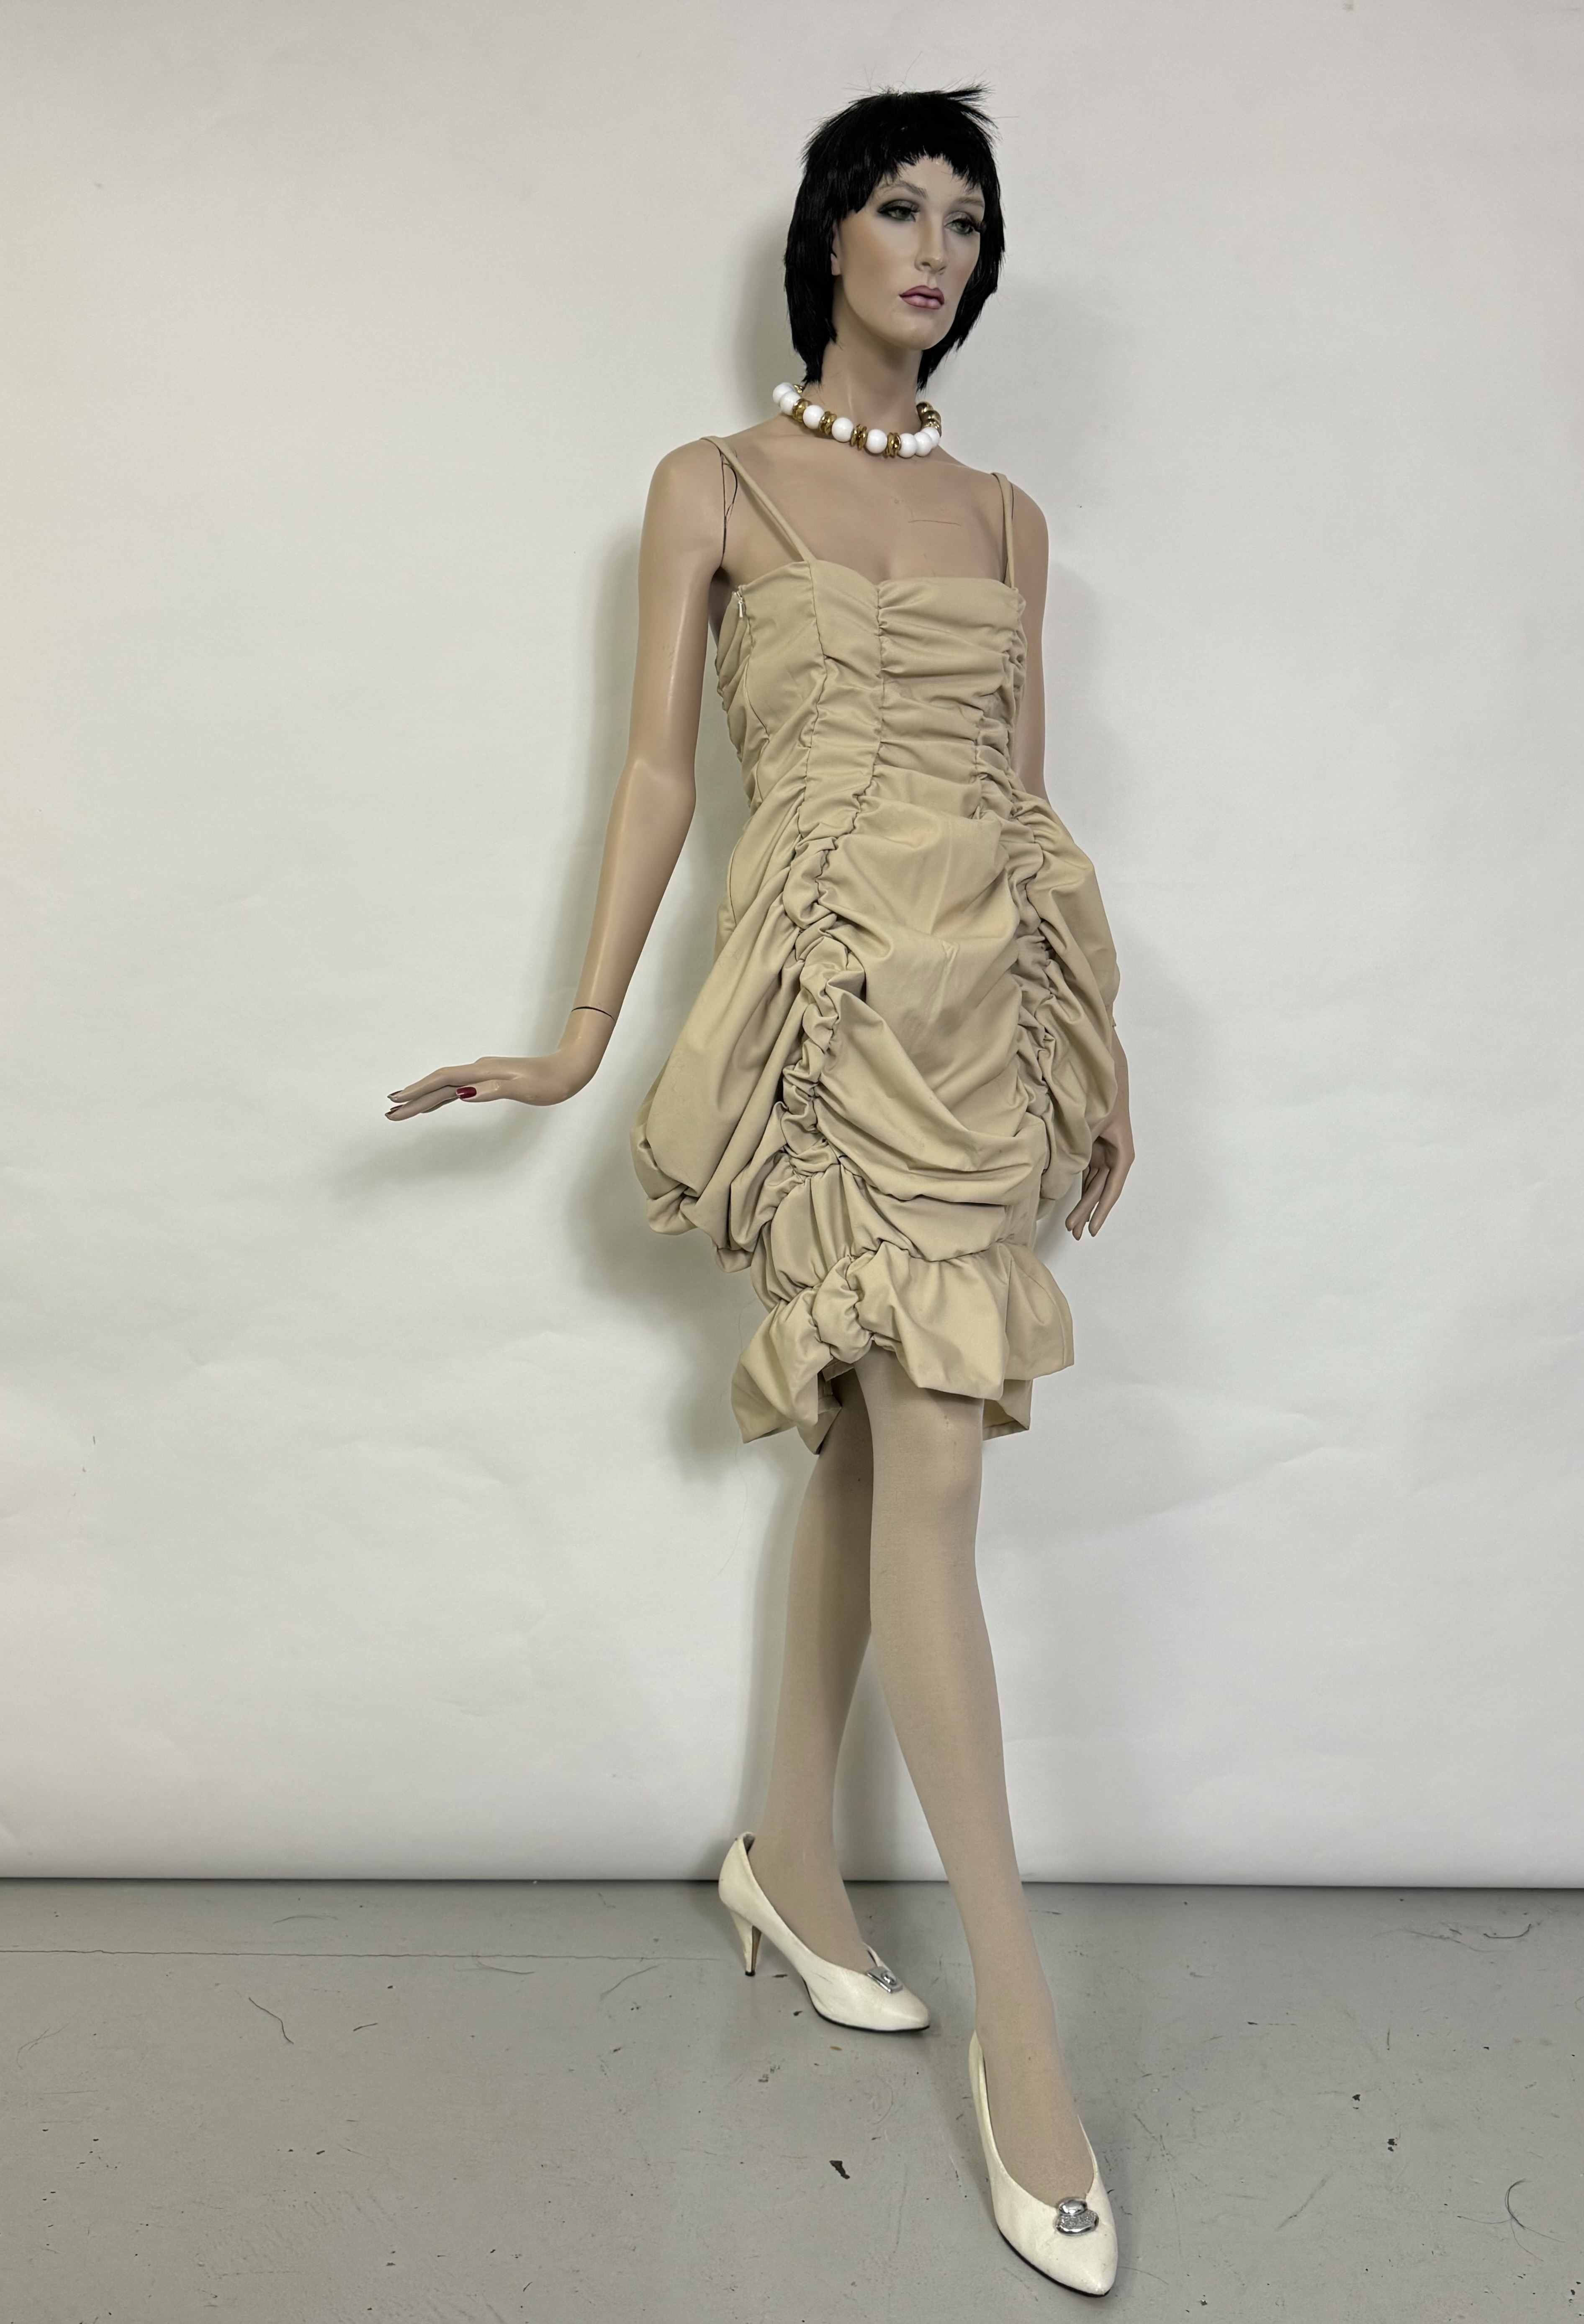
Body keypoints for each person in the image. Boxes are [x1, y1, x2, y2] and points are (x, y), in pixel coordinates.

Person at [387, 85, 1133, 2297]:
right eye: (901, 207)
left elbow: (1025, 808)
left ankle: (793, 1861)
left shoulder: (1008, 519)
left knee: (878, 1450)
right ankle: (1022, 2035)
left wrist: (1093, 1043)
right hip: (818, 1008)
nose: (936, 248)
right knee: (921, 1456)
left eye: (967, 222)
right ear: (828, 238)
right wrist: (577, 1033)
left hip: (978, 1025)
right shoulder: (707, 486)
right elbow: (654, 772)